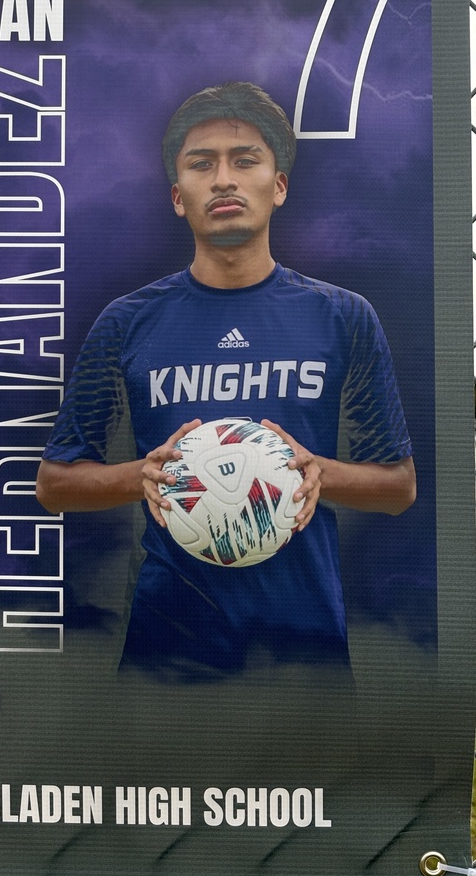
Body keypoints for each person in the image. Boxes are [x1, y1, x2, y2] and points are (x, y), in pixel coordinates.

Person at [36, 82, 416, 679]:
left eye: (244, 161)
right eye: (201, 164)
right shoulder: (127, 322)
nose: (223, 180)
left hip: (305, 654)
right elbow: (55, 484)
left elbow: (399, 487)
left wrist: (320, 472)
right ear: (177, 197)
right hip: (167, 653)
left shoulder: (343, 316)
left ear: (279, 185)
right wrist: (142, 476)